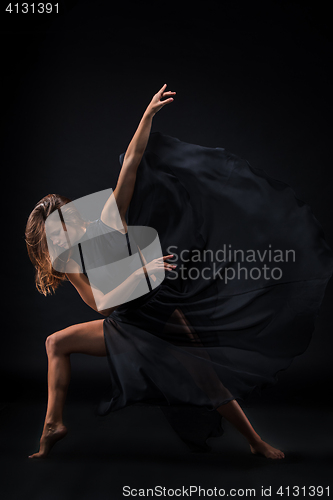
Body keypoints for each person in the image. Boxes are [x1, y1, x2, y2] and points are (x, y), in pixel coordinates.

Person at [25, 84, 333, 460]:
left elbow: (133, 161)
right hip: (122, 324)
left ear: (71, 217)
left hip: (158, 313)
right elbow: (101, 307)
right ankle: (52, 424)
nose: (60, 241)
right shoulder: (68, 261)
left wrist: (148, 114)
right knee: (55, 342)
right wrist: (140, 269)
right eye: (52, 239)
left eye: (61, 229)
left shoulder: (107, 219)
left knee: (205, 378)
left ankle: (256, 441)